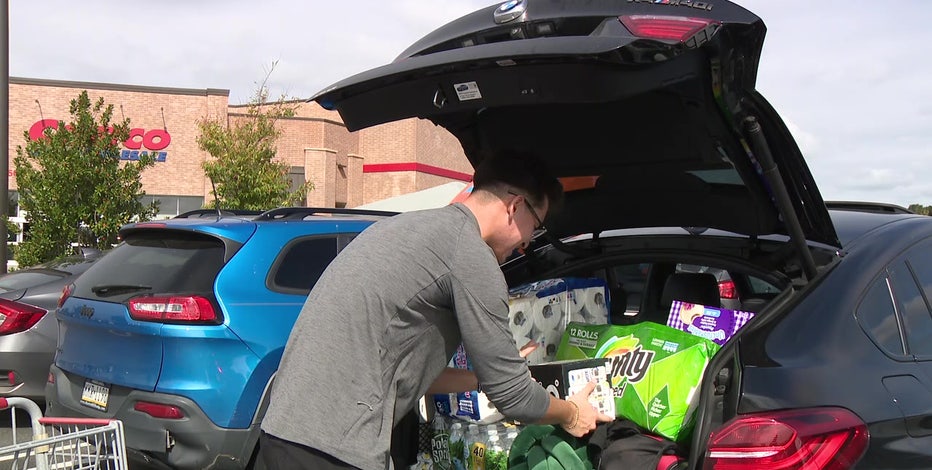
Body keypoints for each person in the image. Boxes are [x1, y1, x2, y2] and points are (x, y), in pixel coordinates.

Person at [257, 151, 614, 470]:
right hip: (333, 449)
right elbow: (515, 397)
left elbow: (397, 366)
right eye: (536, 226)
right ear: (515, 206)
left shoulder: (406, 227)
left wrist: (483, 377)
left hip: (283, 431)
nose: (526, 244)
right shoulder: (470, 255)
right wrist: (571, 413)